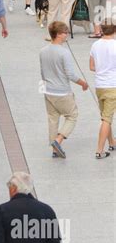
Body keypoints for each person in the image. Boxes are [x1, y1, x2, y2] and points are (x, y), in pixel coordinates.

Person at [39, 21, 89, 158]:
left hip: (48, 91)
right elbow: (70, 75)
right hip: (62, 91)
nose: (67, 35)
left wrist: (43, 90)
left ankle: (54, 150)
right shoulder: (64, 53)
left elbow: (42, 72)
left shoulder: (42, 51)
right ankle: (58, 140)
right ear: (59, 35)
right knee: (72, 116)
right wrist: (83, 83)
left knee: (52, 119)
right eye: (65, 32)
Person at [89, 20, 116, 158]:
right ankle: (99, 150)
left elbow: (92, 67)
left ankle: (112, 142)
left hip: (99, 86)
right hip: (113, 85)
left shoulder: (95, 45)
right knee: (107, 119)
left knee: (106, 116)